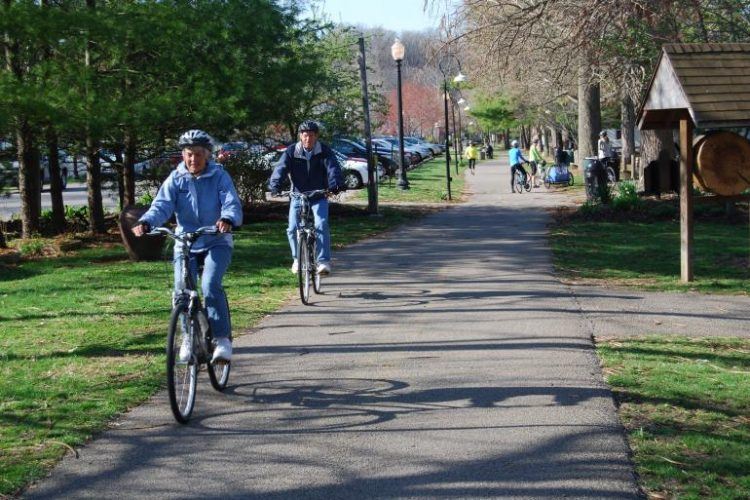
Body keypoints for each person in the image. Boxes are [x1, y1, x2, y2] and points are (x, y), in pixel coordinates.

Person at [132, 130, 242, 363]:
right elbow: (161, 205)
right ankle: (189, 338)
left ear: (208, 155)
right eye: (189, 154)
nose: (193, 160)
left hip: (216, 240)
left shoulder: (219, 176)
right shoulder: (176, 178)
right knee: (181, 291)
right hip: (185, 242)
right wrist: (146, 222)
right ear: (183, 155)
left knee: (210, 285)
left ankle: (221, 340)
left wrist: (228, 219)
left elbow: (231, 202)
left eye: (199, 155)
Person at [269, 120, 344, 276]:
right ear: (300, 136)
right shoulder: (291, 151)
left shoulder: (324, 151)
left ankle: (323, 262)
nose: (308, 139)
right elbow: (281, 169)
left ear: (316, 136)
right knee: (291, 228)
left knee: (321, 223)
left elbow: (333, 168)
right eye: (305, 135)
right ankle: (297, 259)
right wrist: (275, 185)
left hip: (319, 195)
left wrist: (335, 184)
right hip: (298, 196)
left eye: (311, 135)